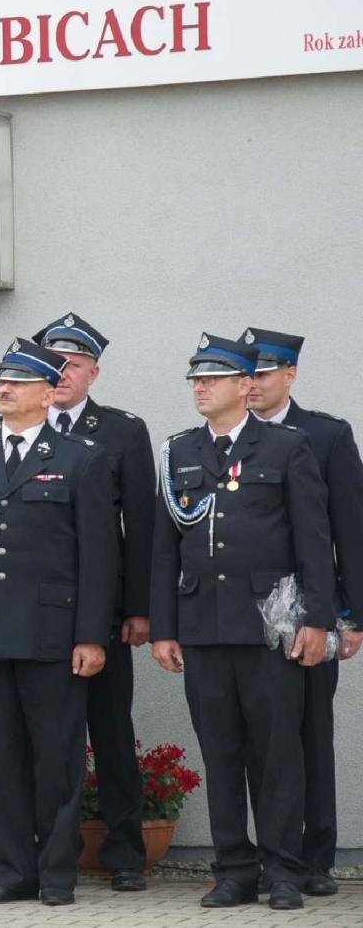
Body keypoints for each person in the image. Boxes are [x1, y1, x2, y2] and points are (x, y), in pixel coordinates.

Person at [150, 333, 334, 912]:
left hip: (268, 628)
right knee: (221, 752)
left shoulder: (286, 448)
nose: (200, 388)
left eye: (212, 378)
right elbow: (164, 548)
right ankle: (233, 868)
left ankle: (283, 868)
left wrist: (317, 621)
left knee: (277, 752)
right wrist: (163, 627)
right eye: (195, 379)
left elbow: (313, 541)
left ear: (242, 384)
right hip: (203, 626)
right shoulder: (180, 451)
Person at [0, 339, 117, 908]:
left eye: (18, 381)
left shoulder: (80, 458)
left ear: (45, 393)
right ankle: (10, 870)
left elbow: (99, 556)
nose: (4, 388)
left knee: (56, 757)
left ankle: (56, 873)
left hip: (51, 634)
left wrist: (91, 634)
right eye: (1, 379)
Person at [31, 311, 155, 892]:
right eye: (52, 363)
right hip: (39, 612)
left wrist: (137, 607)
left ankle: (125, 850)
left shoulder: (122, 431)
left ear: (94, 373)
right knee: (49, 737)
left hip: (101, 609)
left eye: (72, 364)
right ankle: (54, 849)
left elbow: (141, 523)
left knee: (109, 732)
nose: (60, 373)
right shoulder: (18, 426)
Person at [242, 327, 362, 897]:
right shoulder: (223, 438)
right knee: (255, 741)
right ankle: (268, 857)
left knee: (310, 734)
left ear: (289, 374)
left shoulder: (324, 435)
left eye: (263, 373)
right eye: (248, 373)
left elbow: (349, 533)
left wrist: (352, 615)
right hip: (242, 616)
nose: (253, 384)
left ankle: (314, 858)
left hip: (309, 612)